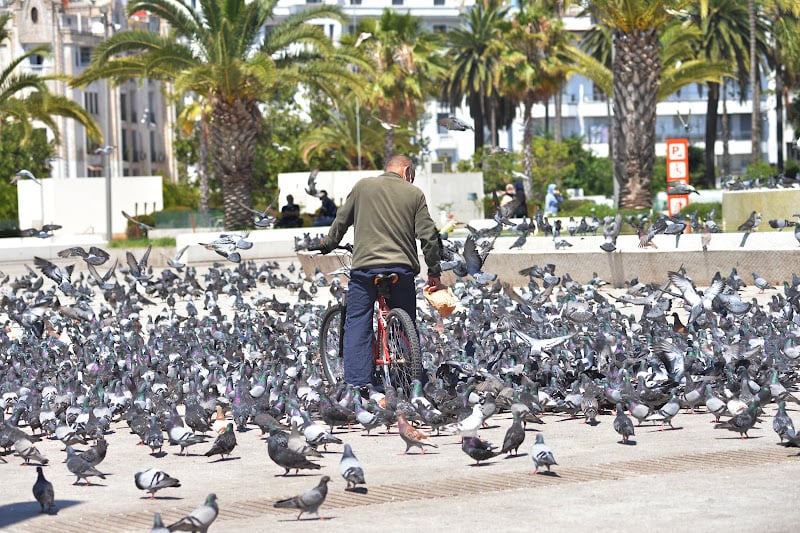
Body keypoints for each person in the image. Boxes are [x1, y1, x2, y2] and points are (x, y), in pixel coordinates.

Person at [319, 154, 442, 390]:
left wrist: (328, 244)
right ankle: (410, 374)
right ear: (407, 171)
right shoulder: (414, 194)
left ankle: (357, 384)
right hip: (401, 270)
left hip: (365, 269)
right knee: (407, 321)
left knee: (357, 320)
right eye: (412, 177)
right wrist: (434, 272)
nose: (411, 181)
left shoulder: (362, 187)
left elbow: (340, 223)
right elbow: (429, 237)